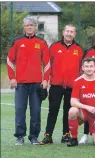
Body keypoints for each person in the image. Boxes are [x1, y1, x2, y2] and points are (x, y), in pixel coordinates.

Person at [7, 17, 50, 145]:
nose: (29, 27)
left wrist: (45, 79)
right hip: (20, 84)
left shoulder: (41, 42)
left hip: (37, 84)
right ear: (24, 27)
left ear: (35, 27)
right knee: (20, 110)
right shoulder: (17, 41)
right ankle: (20, 136)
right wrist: (12, 78)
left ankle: (34, 137)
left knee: (36, 111)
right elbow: (9, 61)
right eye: (27, 25)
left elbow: (47, 63)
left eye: (32, 25)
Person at [40, 24, 84, 145]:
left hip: (72, 86)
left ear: (74, 34)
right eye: (67, 31)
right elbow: (48, 66)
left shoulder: (79, 49)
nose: (69, 33)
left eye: (72, 32)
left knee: (68, 111)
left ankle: (66, 134)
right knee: (53, 110)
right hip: (56, 85)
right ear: (63, 32)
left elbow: (82, 69)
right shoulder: (54, 47)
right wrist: (45, 80)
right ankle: (48, 135)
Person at [66, 57, 95, 147]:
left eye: (91, 66)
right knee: (72, 111)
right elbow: (73, 101)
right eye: (86, 66)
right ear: (82, 68)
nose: (89, 69)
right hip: (83, 113)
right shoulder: (78, 81)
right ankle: (73, 138)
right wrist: (87, 107)